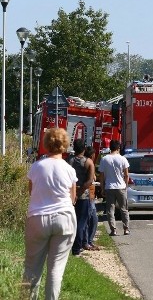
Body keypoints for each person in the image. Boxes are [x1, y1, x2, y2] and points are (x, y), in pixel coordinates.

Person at [23, 127, 77, 300]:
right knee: (56, 269)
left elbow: (31, 192)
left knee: (32, 267)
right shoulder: (69, 169)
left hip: (38, 218)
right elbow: (73, 198)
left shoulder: (36, 167)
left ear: (46, 144)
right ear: (65, 146)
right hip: (65, 218)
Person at [68, 139, 95, 256]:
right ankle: (76, 248)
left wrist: (74, 193)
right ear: (84, 149)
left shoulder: (69, 161)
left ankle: (70, 245)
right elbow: (89, 181)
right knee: (81, 222)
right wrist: (80, 192)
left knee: (71, 221)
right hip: (83, 196)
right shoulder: (88, 162)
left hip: (70, 195)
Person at [99, 139, 130, 236]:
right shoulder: (122, 159)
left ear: (110, 147)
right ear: (118, 148)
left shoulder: (104, 159)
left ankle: (113, 230)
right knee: (124, 209)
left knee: (110, 210)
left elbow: (102, 175)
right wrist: (126, 185)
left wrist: (102, 188)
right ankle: (126, 229)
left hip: (109, 187)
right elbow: (126, 175)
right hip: (121, 186)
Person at [83, 146, 100, 251]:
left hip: (91, 196)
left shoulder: (88, 163)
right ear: (92, 155)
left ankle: (88, 241)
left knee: (92, 219)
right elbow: (92, 179)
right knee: (91, 219)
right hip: (88, 196)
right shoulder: (89, 163)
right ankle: (87, 241)